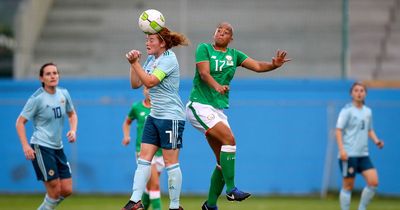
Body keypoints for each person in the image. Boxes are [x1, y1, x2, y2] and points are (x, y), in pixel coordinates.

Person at [185, 22, 290, 210]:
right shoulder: (205, 48)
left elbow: (258, 66)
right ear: (214, 33)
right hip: (199, 105)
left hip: (217, 110)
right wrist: (217, 86)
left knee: (221, 161)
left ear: (230, 39)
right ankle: (231, 189)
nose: (221, 33)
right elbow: (203, 73)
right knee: (230, 140)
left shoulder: (235, 55)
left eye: (226, 33)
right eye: (219, 30)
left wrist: (274, 65)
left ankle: (210, 205)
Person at [122, 26, 189, 210]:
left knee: (170, 162)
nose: (147, 43)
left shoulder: (169, 59)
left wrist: (136, 63)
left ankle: (175, 205)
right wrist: (133, 64)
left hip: (171, 118)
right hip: (154, 116)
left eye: (151, 40)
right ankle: (135, 200)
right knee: (143, 159)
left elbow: (151, 82)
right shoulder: (152, 59)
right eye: (146, 39)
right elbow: (136, 84)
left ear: (162, 43)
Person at [15, 62, 78, 210]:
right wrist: (25, 146)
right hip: (41, 146)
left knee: (67, 189)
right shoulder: (36, 99)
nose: (53, 76)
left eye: (55, 73)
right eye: (48, 74)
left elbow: (72, 114)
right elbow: (19, 122)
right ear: (41, 78)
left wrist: (73, 130)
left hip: (58, 147)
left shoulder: (64, 94)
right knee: (55, 190)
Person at [336, 82, 384, 210]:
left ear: (365, 94)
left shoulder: (368, 111)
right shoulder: (347, 111)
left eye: (362, 90)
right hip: (348, 154)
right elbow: (338, 130)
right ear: (351, 93)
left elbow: (369, 129)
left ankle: (362, 208)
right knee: (348, 186)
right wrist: (342, 150)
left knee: (373, 182)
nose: (359, 93)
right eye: (356, 90)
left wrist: (377, 141)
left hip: (363, 154)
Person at [122, 87, 164, 210]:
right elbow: (127, 122)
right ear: (143, 91)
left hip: (161, 151)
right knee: (155, 184)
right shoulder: (136, 107)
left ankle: (140, 206)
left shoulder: (161, 107)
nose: (149, 91)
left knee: (149, 186)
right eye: (147, 89)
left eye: (152, 89)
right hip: (143, 151)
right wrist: (126, 136)